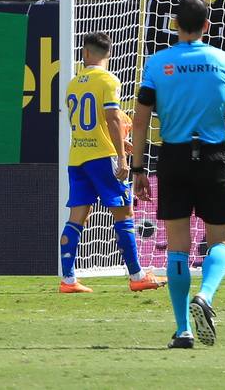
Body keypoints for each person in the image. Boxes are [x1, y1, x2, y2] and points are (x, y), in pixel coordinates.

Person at [130, 0, 225, 349]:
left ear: (176, 25)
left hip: (174, 158)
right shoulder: (221, 60)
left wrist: (138, 168)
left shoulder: (157, 63)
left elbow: (139, 119)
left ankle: (183, 330)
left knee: (178, 247)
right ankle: (206, 296)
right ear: (207, 26)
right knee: (221, 239)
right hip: (212, 157)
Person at [59, 31, 167, 294]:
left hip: (78, 157)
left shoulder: (73, 84)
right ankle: (137, 275)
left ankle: (68, 280)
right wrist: (121, 155)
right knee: (124, 213)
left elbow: (93, 122)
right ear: (110, 54)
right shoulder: (108, 80)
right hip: (102, 157)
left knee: (76, 218)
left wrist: (119, 143)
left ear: (85, 54)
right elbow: (113, 119)